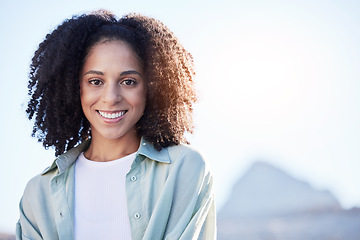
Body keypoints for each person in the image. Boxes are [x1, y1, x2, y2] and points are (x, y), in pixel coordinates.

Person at [16, 9, 216, 240]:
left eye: (128, 81)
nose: (111, 97)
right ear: (75, 88)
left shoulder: (184, 169)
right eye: (95, 81)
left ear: (152, 87)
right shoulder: (38, 194)